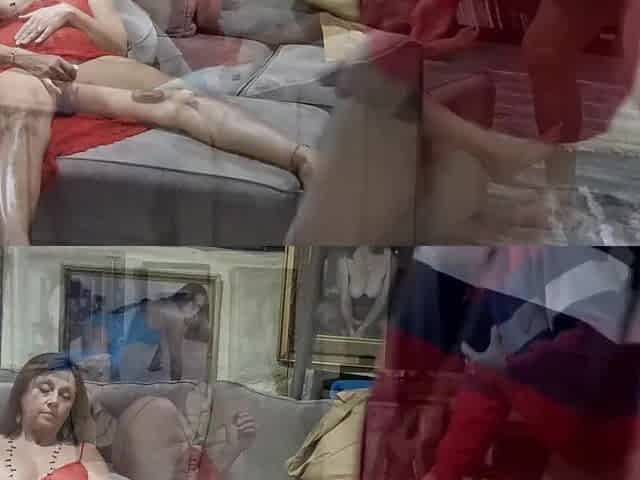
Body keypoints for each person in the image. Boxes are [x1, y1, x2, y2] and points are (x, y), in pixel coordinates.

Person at [0, 0, 321, 245]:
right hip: (15, 67)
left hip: (81, 66)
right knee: (23, 106)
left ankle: (301, 157)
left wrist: (70, 14)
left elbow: (116, 45)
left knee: (182, 100)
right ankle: (16, 252)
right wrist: (23, 58)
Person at [0, 352, 113, 480]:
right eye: (45, 389)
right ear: (21, 394)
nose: (54, 400)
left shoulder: (84, 454)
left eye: (65, 396)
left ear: (70, 410)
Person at [85, 283, 209, 381]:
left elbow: (164, 343)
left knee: (99, 377)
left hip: (108, 325)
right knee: (93, 375)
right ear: (183, 298)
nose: (194, 310)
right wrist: (177, 388)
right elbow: (175, 359)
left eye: (198, 306)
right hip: (106, 327)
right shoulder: (175, 317)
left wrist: (155, 365)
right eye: (192, 302)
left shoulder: (169, 310)